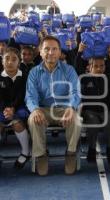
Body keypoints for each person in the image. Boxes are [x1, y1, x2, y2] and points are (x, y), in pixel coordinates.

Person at [25, 36, 81, 176]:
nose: (51, 52)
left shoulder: (69, 70)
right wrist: (35, 109)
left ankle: (70, 153)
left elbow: (75, 92)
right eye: (47, 49)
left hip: (64, 108)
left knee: (76, 119)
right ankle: (41, 155)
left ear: (60, 52)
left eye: (54, 49)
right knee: (33, 119)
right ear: (40, 51)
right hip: (43, 108)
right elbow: (30, 95)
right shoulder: (34, 73)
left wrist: (71, 107)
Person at [0, 47, 30, 169]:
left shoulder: (25, 76)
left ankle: (25, 152)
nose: (10, 62)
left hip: (20, 107)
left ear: (19, 61)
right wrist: (5, 109)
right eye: (7, 58)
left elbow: (22, 96)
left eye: (14, 59)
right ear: (2, 60)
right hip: (3, 109)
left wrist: (13, 108)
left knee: (17, 123)